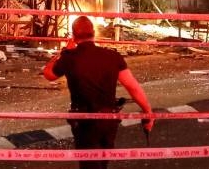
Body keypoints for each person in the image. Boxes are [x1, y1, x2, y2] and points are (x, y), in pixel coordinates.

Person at [43, 16, 153, 168]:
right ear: (94, 33)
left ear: (73, 36)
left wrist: (62, 53)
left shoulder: (69, 58)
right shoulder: (113, 56)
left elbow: (49, 74)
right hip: (109, 120)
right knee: (102, 163)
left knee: (89, 164)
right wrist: (148, 112)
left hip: (84, 122)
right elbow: (133, 87)